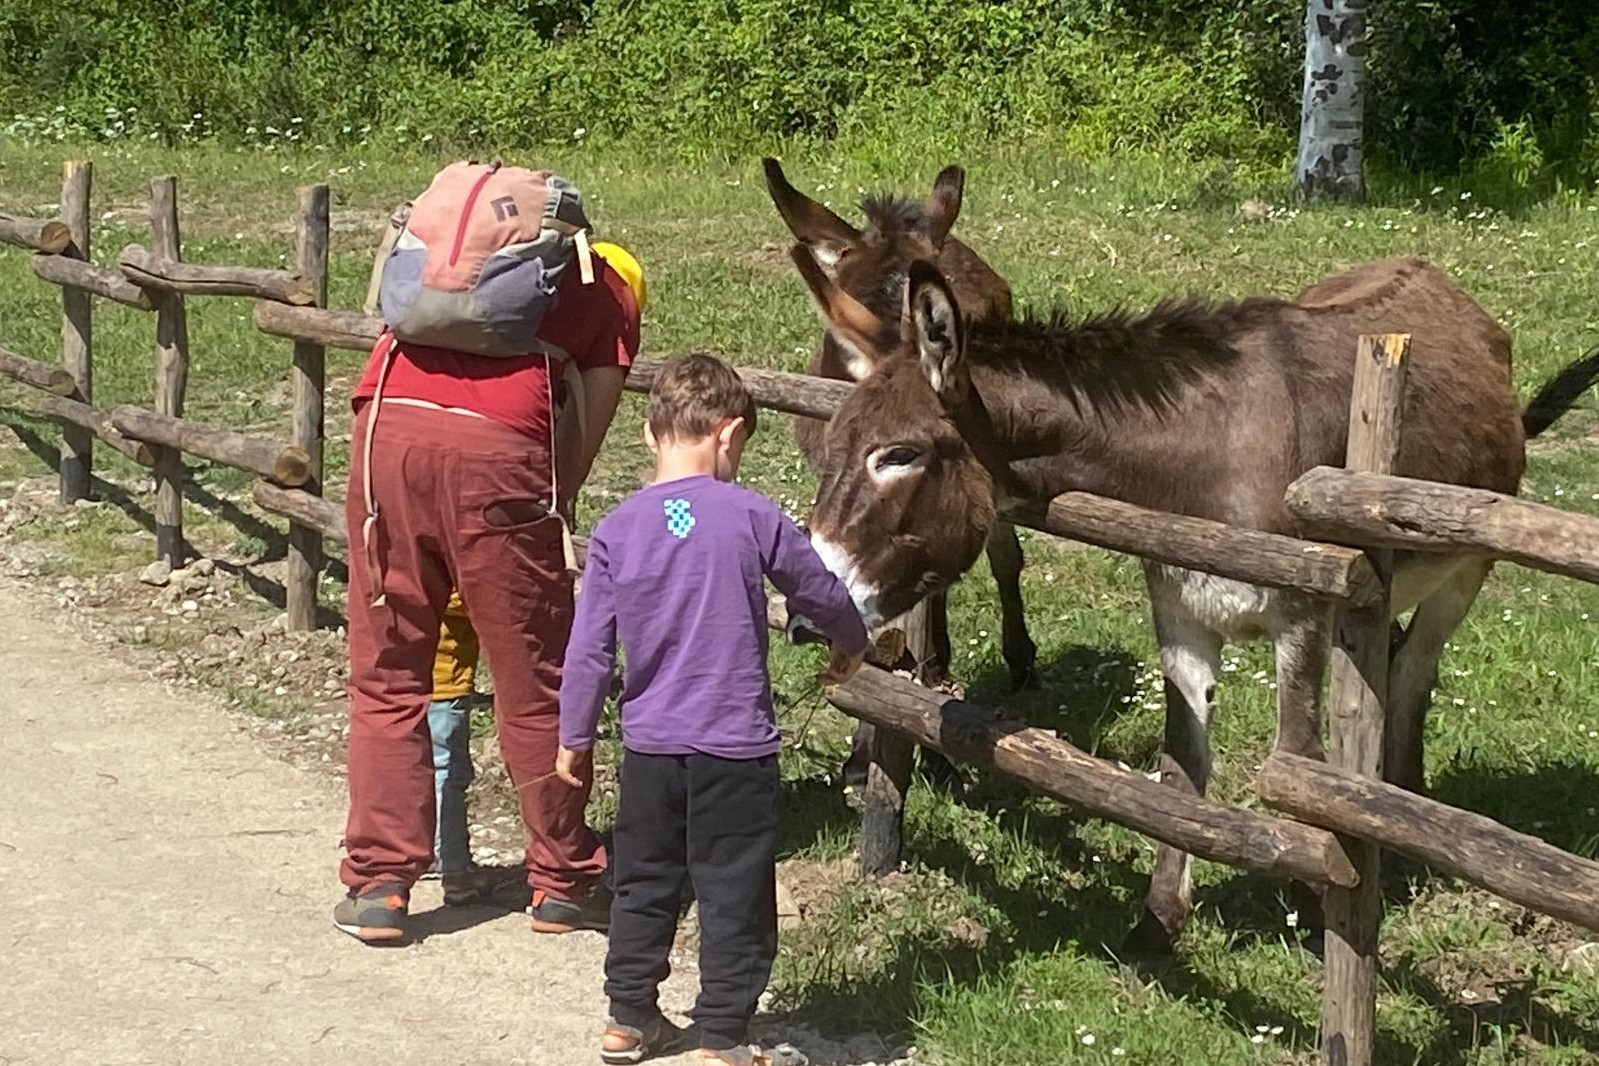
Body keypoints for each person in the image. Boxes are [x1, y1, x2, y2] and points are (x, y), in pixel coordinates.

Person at [333, 162, 648, 943]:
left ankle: (380, 882)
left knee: (387, 669)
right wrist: (558, 495)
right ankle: (562, 878)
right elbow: (595, 406)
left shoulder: (437, 261)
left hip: (387, 433)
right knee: (533, 673)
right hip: (498, 453)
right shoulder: (596, 279)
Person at [556, 355, 869, 1066]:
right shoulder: (753, 515)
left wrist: (574, 736)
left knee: (643, 879)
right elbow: (817, 590)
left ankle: (629, 1017)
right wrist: (849, 645)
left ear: (647, 434)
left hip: (650, 748)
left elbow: (589, 650)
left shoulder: (617, 529)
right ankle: (722, 1034)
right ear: (729, 435)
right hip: (735, 744)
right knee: (733, 887)